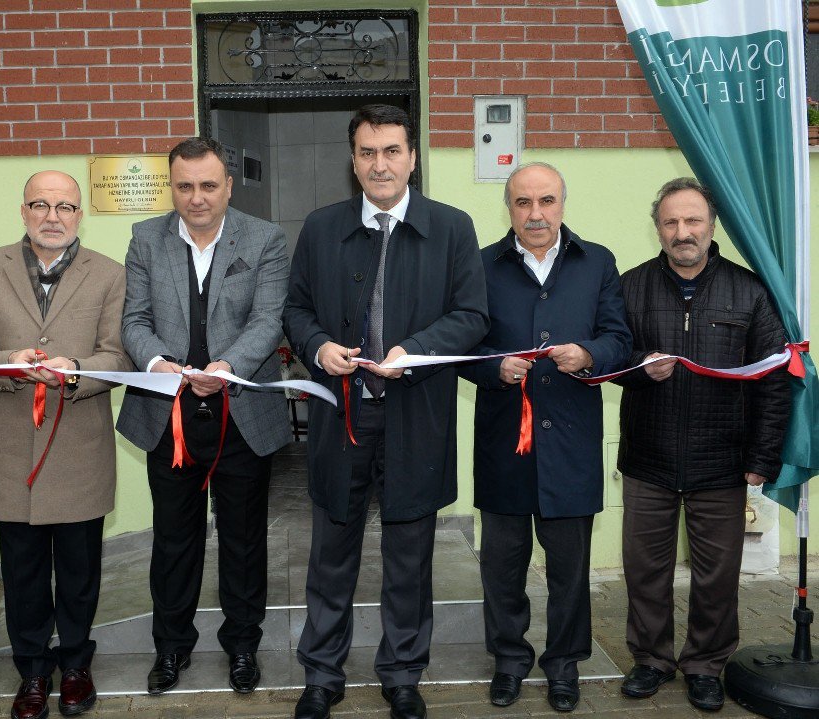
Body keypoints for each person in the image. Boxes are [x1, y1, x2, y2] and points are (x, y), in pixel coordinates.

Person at [283, 104, 489, 719]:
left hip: (415, 414)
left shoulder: (451, 228)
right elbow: (294, 311)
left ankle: (402, 673)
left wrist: (419, 351)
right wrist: (318, 346)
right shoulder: (321, 228)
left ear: (413, 157)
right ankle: (322, 674)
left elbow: (473, 315)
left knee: (409, 555)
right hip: (340, 413)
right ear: (353, 161)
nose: (380, 164)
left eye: (392, 150)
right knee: (331, 552)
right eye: (368, 152)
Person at [116, 137, 290, 695]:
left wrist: (229, 364)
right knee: (173, 540)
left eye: (208, 185)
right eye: (185, 186)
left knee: (243, 540)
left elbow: (270, 320)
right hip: (169, 416)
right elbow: (134, 319)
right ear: (172, 186)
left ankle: (243, 645)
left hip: (241, 413)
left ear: (228, 186)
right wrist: (155, 361)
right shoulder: (146, 238)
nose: (196, 198)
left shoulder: (265, 239)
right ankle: (171, 647)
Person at [0, 170, 130, 719]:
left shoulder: (110, 275)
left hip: (79, 447)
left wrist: (74, 369)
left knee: (80, 572)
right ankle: (32, 672)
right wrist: (10, 365)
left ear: (80, 214)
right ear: (23, 210)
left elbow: (119, 359)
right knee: (24, 573)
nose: (52, 216)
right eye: (40, 205)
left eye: (64, 206)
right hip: (12, 451)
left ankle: (76, 665)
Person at [460, 162, 631, 713]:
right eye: (523, 203)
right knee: (502, 567)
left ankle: (563, 665)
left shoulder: (597, 261)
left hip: (572, 443)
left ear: (563, 204)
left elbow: (619, 338)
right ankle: (509, 660)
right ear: (508, 207)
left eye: (547, 202)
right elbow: (465, 347)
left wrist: (589, 356)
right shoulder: (481, 265)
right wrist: (493, 369)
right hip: (505, 444)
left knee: (569, 569)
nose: (536, 214)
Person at [615, 178, 790, 712]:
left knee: (718, 576)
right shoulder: (630, 287)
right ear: (658, 227)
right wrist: (640, 370)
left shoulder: (750, 290)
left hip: (723, 460)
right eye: (671, 222)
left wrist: (761, 459)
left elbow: (774, 380)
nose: (682, 232)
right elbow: (610, 361)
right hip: (649, 457)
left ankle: (706, 665)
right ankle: (650, 660)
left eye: (693, 221)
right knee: (645, 569)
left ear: (712, 227)